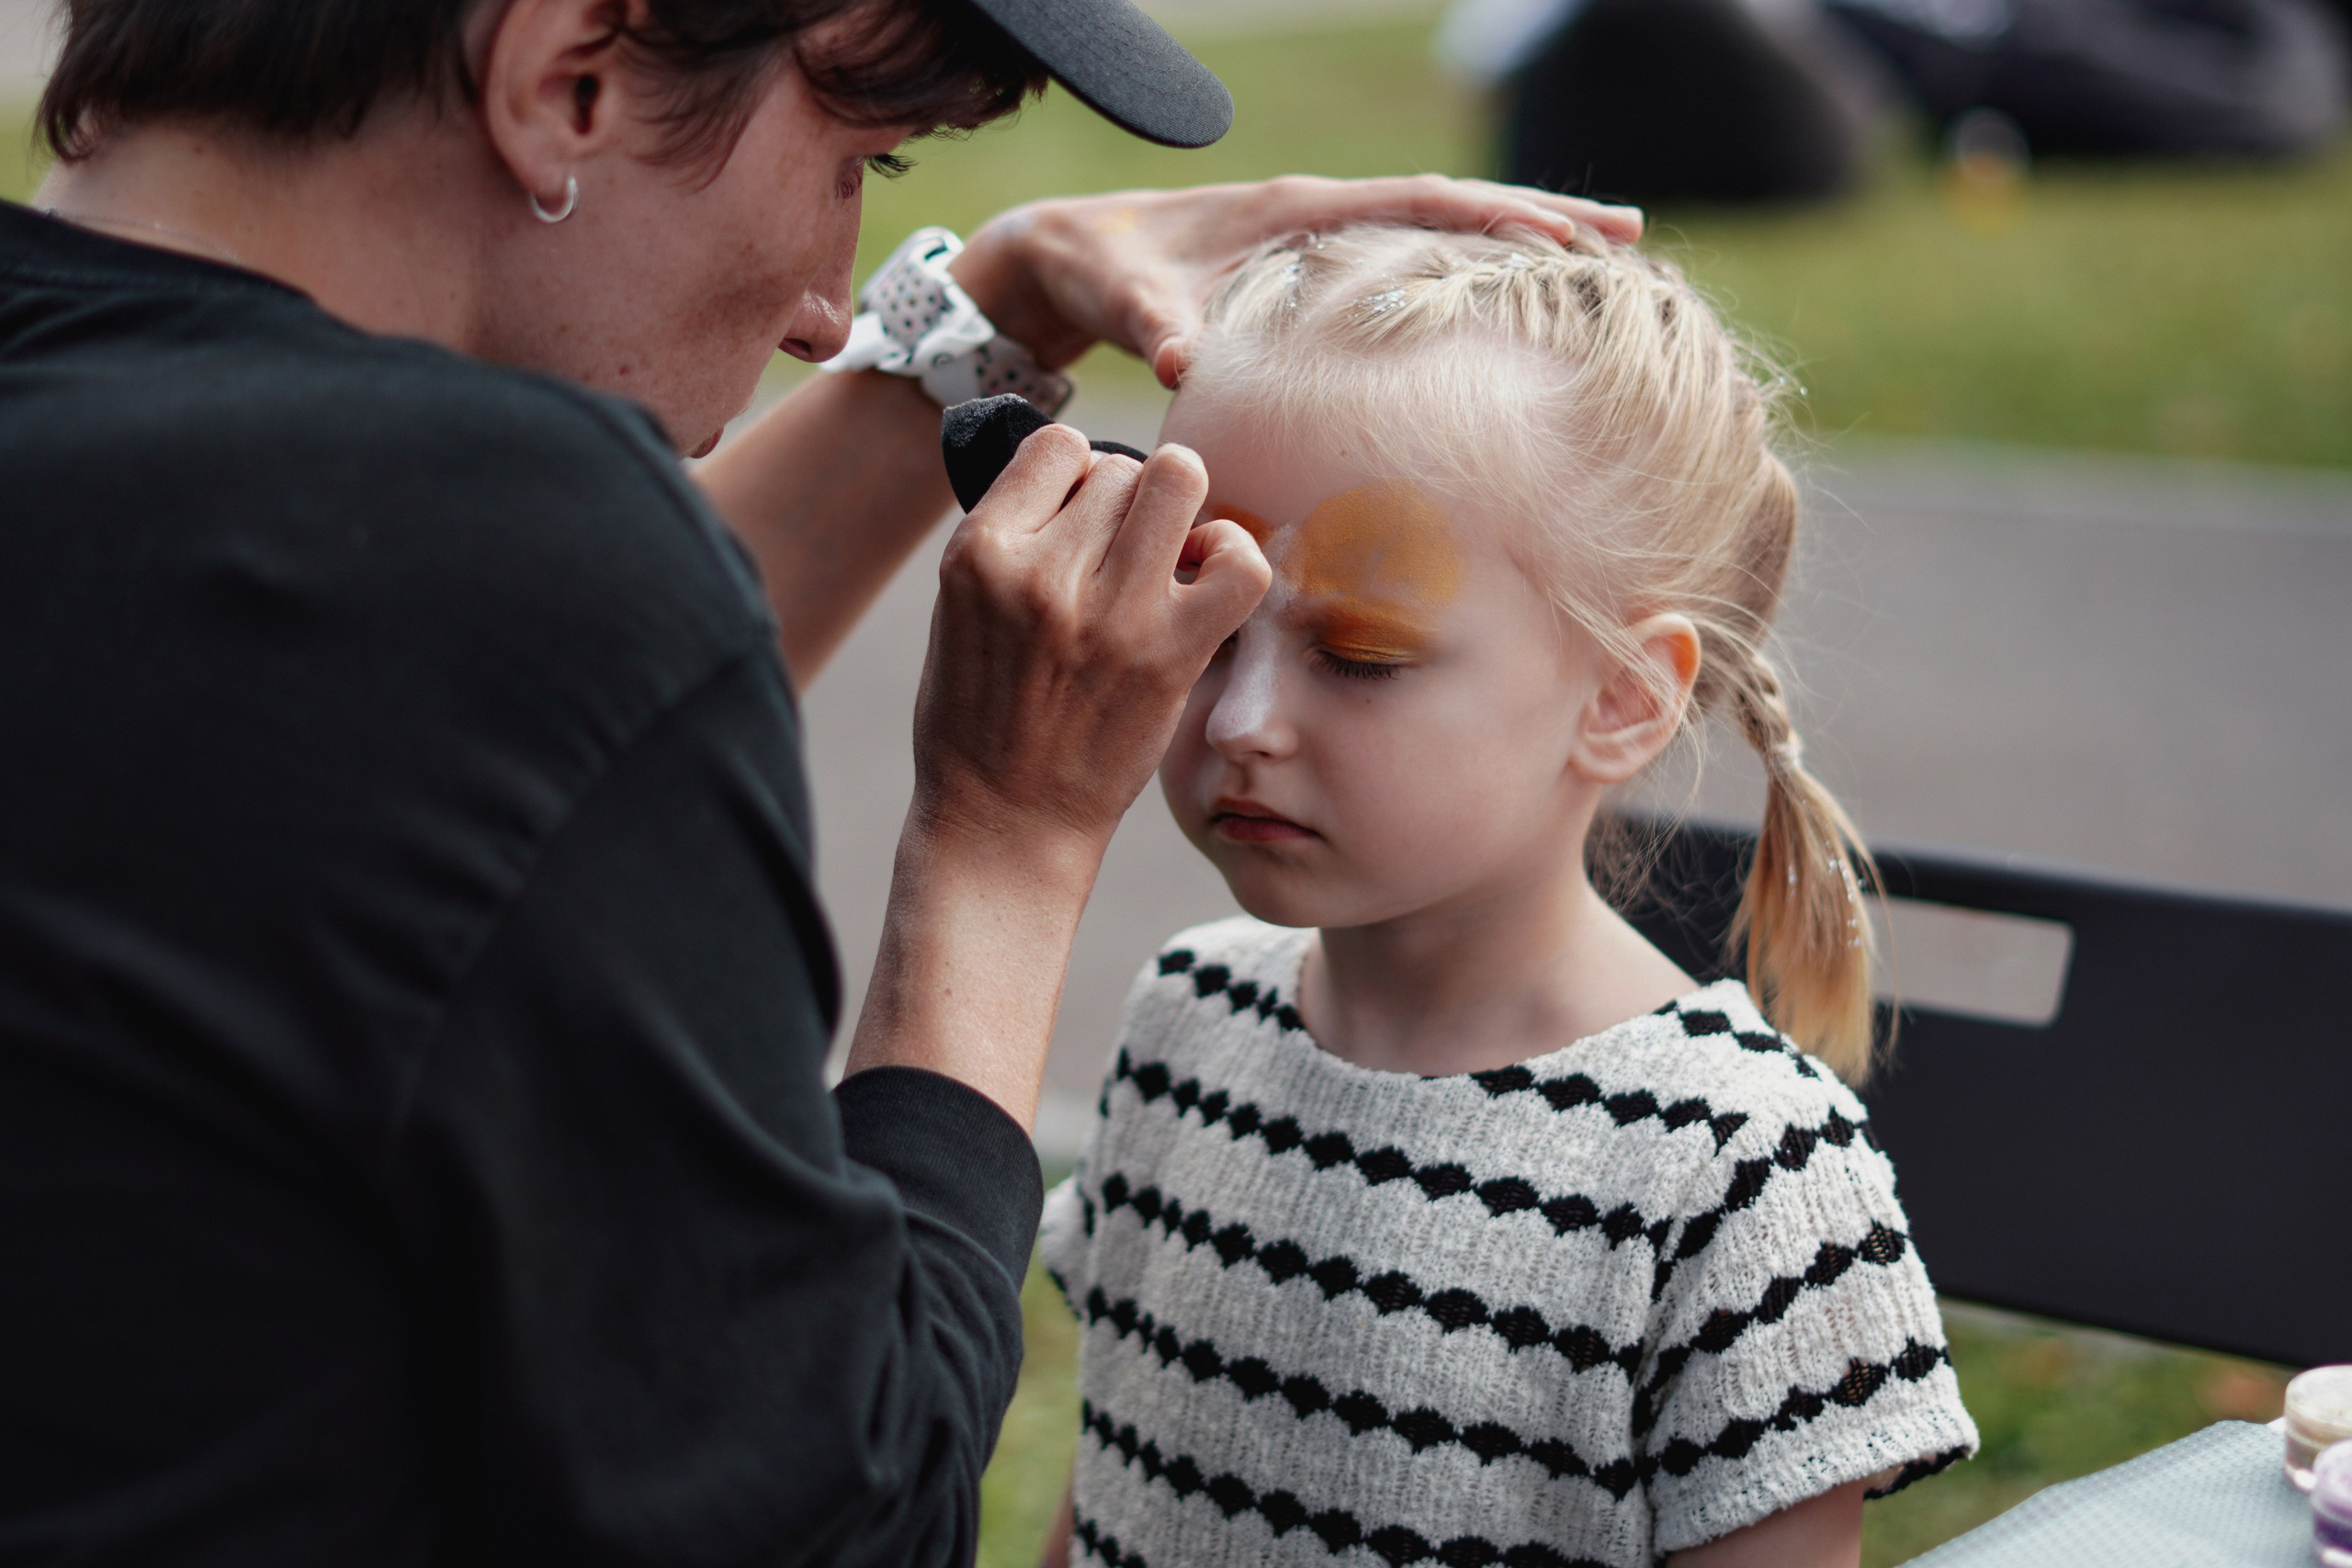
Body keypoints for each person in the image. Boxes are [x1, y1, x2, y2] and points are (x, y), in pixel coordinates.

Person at [0, 0, 1645, 1561]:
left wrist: (975, 328)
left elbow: (446, 759)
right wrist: (1004, 834)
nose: (820, 303)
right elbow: (830, 1519)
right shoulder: (507, 566)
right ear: (569, 72)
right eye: (865, 160)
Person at [1036, 226, 1979, 1568]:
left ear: (1620, 699)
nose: (1242, 718)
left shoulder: (1737, 1172)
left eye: (1356, 654)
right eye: (1207, 608)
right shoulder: (1186, 1019)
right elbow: (1113, 1483)